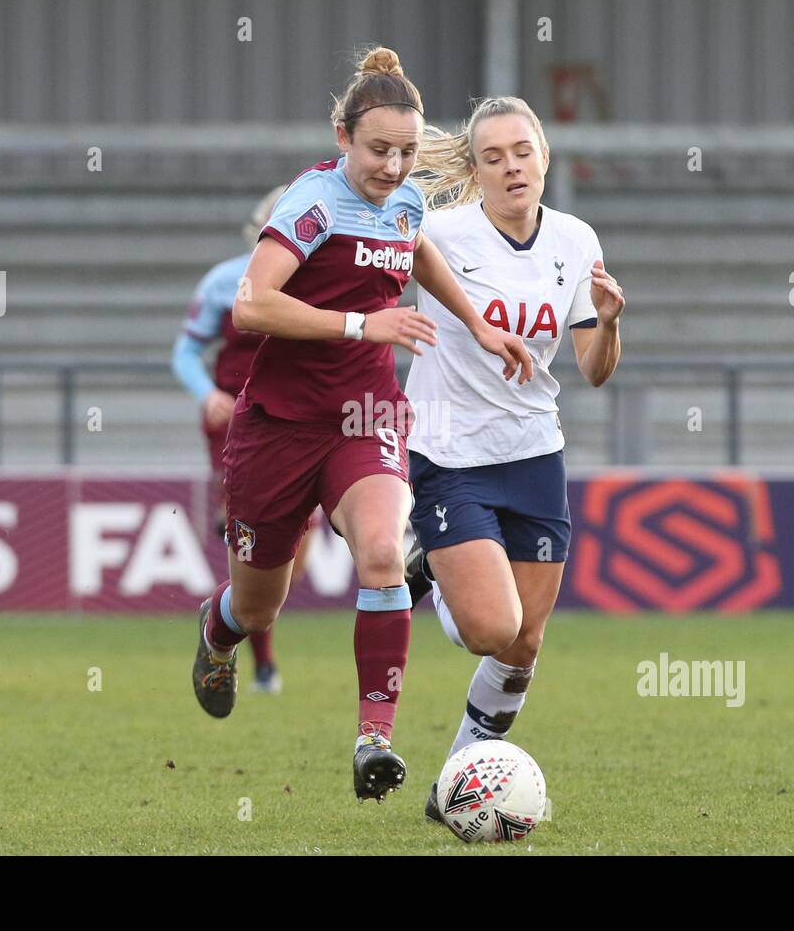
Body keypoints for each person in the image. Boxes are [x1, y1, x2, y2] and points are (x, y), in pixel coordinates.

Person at [188, 47, 533, 803]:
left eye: (407, 152)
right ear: (341, 136)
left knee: (381, 550)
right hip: (277, 426)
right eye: (379, 149)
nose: (394, 165)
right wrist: (359, 326)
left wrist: (477, 323)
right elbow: (252, 304)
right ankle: (217, 635)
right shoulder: (312, 204)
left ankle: (374, 739)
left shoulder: (404, 198)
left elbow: (418, 248)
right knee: (257, 606)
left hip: (364, 415)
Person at [403, 97, 626, 820]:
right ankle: (430, 564)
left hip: (534, 454)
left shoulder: (575, 239)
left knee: (524, 643)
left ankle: (451, 790)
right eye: (493, 156)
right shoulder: (440, 233)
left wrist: (612, 324)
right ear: (475, 170)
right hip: (451, 451)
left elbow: (593, 367)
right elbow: (380, 251)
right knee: (488, 630)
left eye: (522, 151)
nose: (511, 167)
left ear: (544, 158)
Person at [172, 184, 316, 694]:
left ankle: (234, 622)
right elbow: (184, 353)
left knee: (293, 555)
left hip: (303, 420)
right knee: (249, 533)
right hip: (237, 420)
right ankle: (263, 665)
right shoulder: (224, 282)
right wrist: (207, 393)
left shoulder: (320, 283)